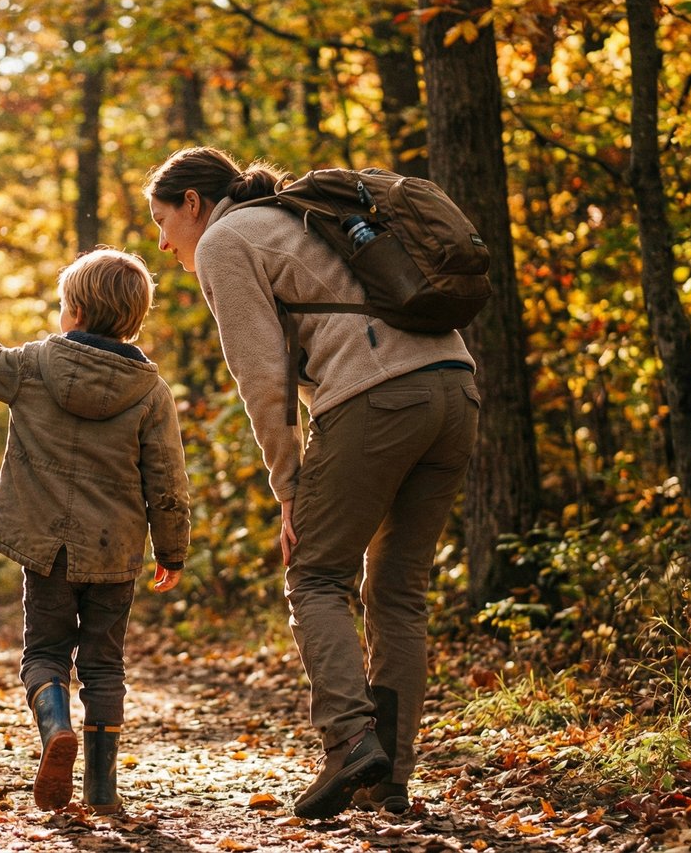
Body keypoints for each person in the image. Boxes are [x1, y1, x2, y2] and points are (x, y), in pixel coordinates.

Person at [143, 147, 479, 819]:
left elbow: (261, 377)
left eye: (160, 219)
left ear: (192, 204)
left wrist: (288, 488)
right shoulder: (299, 216)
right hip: (456, 386)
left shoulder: (227, 239)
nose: (161, 241)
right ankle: (390, 779)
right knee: (399, 591)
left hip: (376, 397)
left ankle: (352, 741)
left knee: (315, 575)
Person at [0, 247, 191, 814]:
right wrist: (173, 548)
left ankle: (55, 731)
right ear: (134, 319)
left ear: (72, 311)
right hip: (113, 553)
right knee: (103, 664)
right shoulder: (150, 392)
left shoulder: (33, 367)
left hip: (46, 549)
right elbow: (167, 480)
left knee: (44, 651)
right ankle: (101, 791)